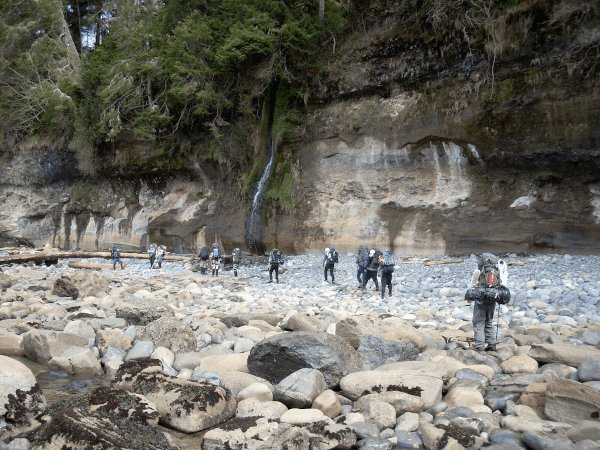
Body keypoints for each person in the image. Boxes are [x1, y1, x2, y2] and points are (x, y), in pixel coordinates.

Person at [466, 253, 510, 353]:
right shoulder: (496, 271)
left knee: (478, 322)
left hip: (481, 300)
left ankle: (479, 346)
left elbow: (474, 284)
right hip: (492, 298)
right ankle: (491, 344)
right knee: (488, 321)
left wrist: (469, 297)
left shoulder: (479, 271)